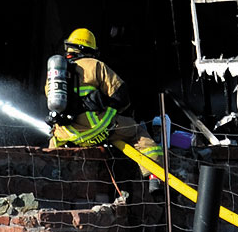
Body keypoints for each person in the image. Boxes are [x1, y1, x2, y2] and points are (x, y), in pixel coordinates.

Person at [45, 27, 161, 174]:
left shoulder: (55, 74)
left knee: (53, 146)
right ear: (89, 49)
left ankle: (50, 176)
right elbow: (121, 96)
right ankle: (155, 175)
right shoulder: (95, 65)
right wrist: (110, 109)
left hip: (67, 133)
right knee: (137, 132)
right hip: (99, 128)